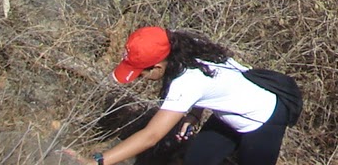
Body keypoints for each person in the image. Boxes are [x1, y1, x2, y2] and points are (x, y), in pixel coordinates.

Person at [83, 26, 296, 165]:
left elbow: (151, 136)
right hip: (230, 114)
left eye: (141, 73)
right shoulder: (185, 45)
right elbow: (212, 79)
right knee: (196, 160)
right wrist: (195, 114)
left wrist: (99, 161)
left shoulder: (186, 82)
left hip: (264, 119)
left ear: (157, 67)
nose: (140, 78)